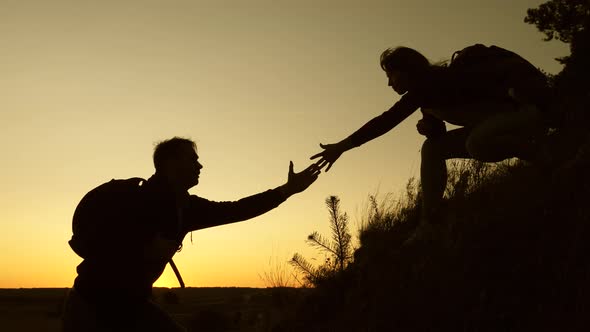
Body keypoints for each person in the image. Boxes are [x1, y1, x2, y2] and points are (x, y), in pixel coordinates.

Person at [62, 137, 321, 331]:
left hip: (132, 307)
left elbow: (236, 210)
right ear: (169, 163)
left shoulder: (185, 207)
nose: (200, 165)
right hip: (92, 307)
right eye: (192, 159)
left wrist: (286, 190)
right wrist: (142, 246)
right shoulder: (138, 199)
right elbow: (105, 243)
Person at [311, 45, 553, 241]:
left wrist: (341, 147)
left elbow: (385, 121)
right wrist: (429, 127)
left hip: (527, 113)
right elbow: (439, 135)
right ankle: (431, 221)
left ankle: (542, 154)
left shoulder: (430, 83)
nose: (389, 83)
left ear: (407, 70)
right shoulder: (427, 94)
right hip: (501, 122)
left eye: (391, 75)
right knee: (433, 149)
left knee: (476, 144)